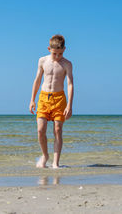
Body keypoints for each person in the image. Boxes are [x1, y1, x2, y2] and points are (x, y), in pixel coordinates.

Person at [29, 34, 74, 169]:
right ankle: (45, 155)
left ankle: (56, 163)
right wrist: (32, 99)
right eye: (55, 54)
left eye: (60, 53)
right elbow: (37, 80)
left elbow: (70, 84)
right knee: (40, 130)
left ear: (64, 49)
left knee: (58, 130)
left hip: (59, 98)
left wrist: (70, 106)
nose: (57, 57)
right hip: (44, 98)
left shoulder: (67, 64)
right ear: (49, 49)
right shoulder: (42, 61)